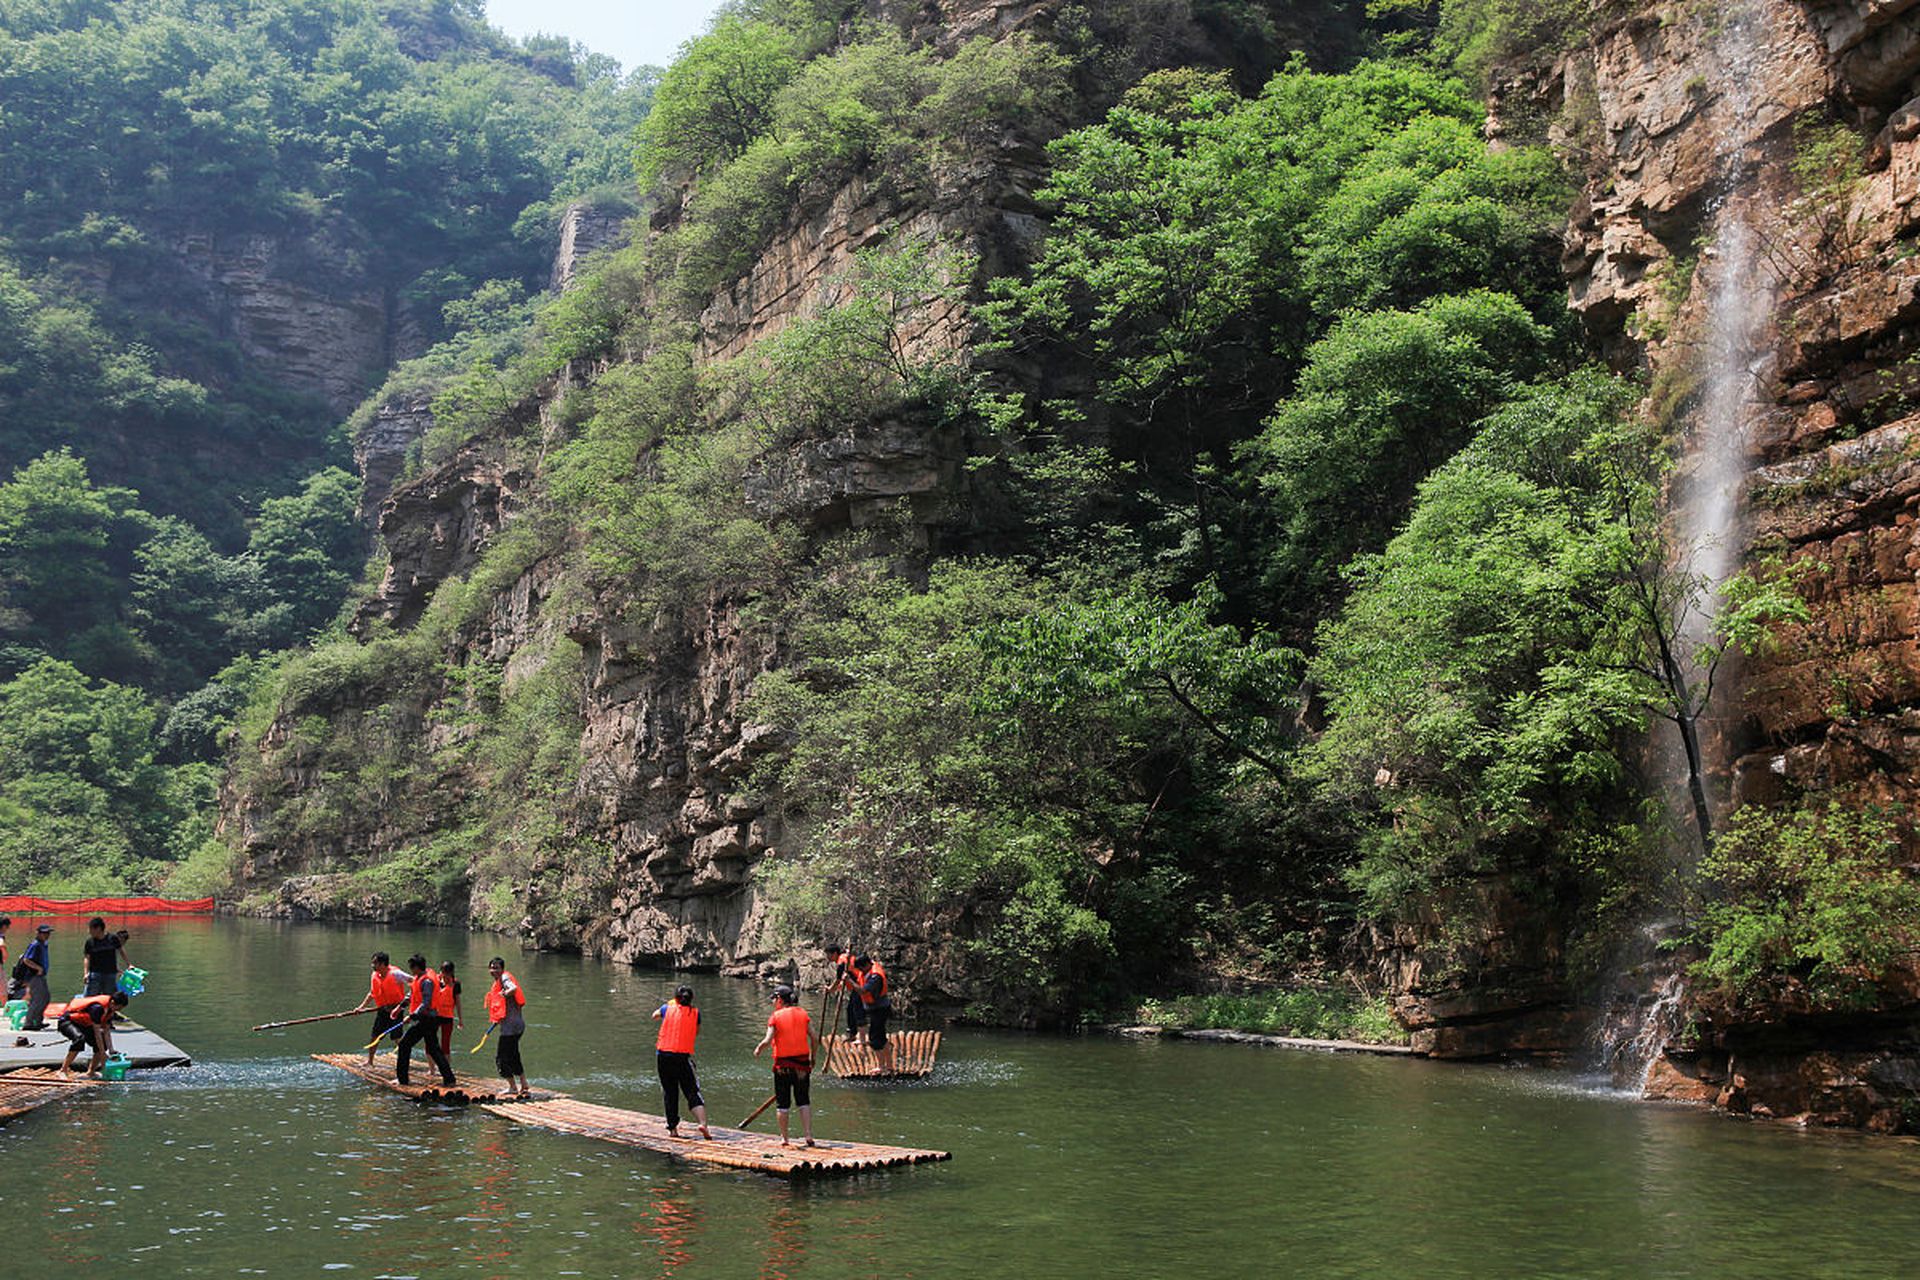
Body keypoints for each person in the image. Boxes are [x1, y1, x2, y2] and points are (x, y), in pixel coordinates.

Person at [753, 985, 816, 1148]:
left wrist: (759, 1049)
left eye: (774, 1000)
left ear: (780, 999)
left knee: (783, 1104)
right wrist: (813, 1058)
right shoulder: (803, 1013)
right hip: (802, 1066)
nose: (774, 1003)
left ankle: (785, 1138)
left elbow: (768, 1040)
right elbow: (815, 1038)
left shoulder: (775, 1017)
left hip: (783, 1066)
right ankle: (808, 1135)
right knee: (803, 1100)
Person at [652, 984, 710, 1139]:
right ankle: (702, 1123)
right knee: (692, 1090)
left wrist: (670, 1004)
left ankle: (673, 1129)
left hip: (664, 1056)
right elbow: (695, 1032)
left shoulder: (667, 1008)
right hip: (682, 1057)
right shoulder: (695, 1013)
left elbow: (654, 1016)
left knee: (670, 1092)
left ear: (676, 998)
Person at [393, 954, 456, 1088]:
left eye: (411, 967)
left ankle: (402, 1079)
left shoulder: (426, 981)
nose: (410, 970)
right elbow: (412, 994)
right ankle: (449, 1079)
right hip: (429, 1019)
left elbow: (426, 1003)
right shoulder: (420, 977)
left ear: (416, 967)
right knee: (434, 1049)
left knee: (404, 1045)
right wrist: (400, 1008)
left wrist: (412, 1016)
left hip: (426, 1019)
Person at [484, 957, 529, 1098]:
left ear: (502, 969)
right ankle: (524, 1084)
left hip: (510, 1028)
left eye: (497, 967)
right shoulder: (500, 980)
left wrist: (503, 994)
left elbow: (513, 989)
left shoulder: (504, 979)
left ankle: (512, 1087)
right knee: (513, 1055)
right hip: (518, 1026)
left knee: (501, 1059)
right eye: (492, 967)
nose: (494, 970)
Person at [353, 952, 408, 1066]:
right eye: (372, 963)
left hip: (396, 1011)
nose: (373, 965)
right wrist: (361, 1007)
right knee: (375, 1036)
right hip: (382, 1010)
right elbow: (372, 993)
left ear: (383, 964)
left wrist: (406, 1002)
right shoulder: (375, 975)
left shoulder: (396, 974)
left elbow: (415, 982)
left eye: (375, 963)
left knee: (397, 1038)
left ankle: (404, 1062)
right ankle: (370, 1061)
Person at [58, 990, 128, 1079]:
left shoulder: (110, 1010)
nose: (118, 1011)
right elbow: (97, 1032)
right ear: (113, 1002)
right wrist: (102, 1054)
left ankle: (90, 1072)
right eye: (119, 1008)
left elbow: (106, 1031)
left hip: (84, 1024)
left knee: (103, 1043)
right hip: (68, 1021)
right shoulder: (97, 1008)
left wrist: (111, 1050)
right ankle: (63, 1070)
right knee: (79, 1039)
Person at [853, 954, 893, 1073]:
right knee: (881, 1036)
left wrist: (848, 980)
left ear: (866, 965)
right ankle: (889, 1066)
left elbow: (862, 990)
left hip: (880, 1009)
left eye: (861, 968)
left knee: (875, 1038)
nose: (860, 971)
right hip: (875, 1008)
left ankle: (881, 1066)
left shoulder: (875, 977)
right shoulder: (869, 967)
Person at [824, 944, 867, 1046]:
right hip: (858, 985)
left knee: (856, 1010)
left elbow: (838, 980)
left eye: (829, 955)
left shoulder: (842, 962)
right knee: (851, 1010)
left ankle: (860, 1037)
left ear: (835, 953)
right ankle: (853, 1033)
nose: (827, 957)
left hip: (860, 986)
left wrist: (830, 989)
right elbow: (847, 977)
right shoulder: (845, 959)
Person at [80, 917, 130, 998]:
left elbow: (121, 951)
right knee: (89, 997)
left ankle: (108, 1010)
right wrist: (85, 973)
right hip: (95, 974)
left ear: (99, 928)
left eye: (91, 929)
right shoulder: (90, 942)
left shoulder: (112, 938)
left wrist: (129, 964)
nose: (89, 931)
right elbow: (87, 958)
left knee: (109, 998)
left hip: (110, 974)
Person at [19, 924, 51, 1029]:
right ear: (39, 933)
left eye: (48, 933)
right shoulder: (35, 945)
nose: (47, 935)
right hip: (34, 976)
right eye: (45, 933)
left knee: (45, 998)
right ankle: (28, 1023)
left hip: (41, 976)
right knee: (37, 999)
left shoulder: (43, 944)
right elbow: (26, 960)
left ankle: (37, 1021)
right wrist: (38, 968)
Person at [436, 960, 464, 1059]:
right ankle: (432, 1069)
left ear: (452, 973)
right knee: (431, 1042)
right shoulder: (435, 981)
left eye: (448, 973)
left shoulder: (456, 984)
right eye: (443, 973)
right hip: (434, 1015)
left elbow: (458, 1003)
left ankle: (446, 1067)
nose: (445, 976)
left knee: (445, 1043)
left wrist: (460, 1020)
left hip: (447, 1016)